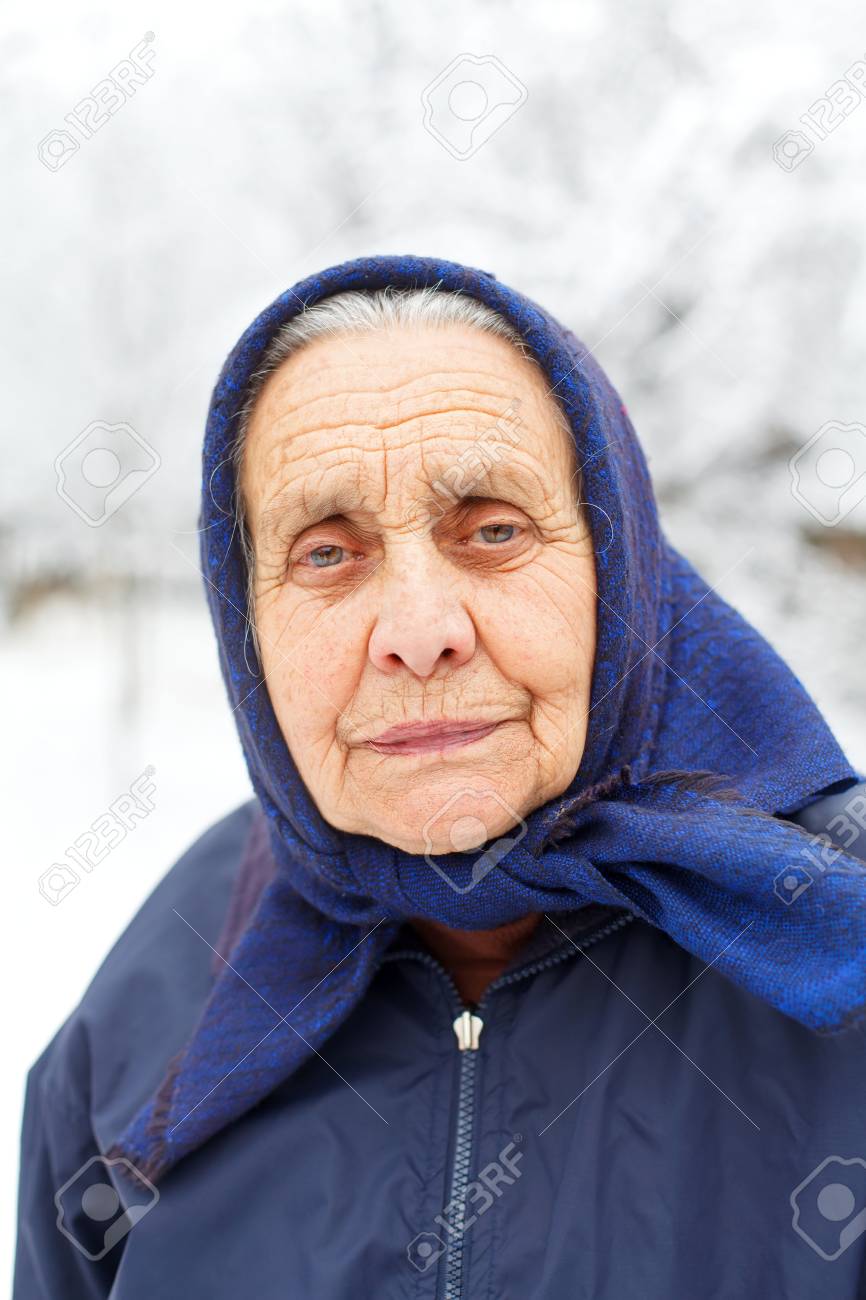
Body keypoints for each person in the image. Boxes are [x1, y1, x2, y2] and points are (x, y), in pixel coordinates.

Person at [14, 254, 866, 1299]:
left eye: (492, 530)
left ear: (622, 568)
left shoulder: (832, 923)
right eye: (326, 553)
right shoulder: (146, 1011)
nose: (419, 634)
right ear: (246, 622)